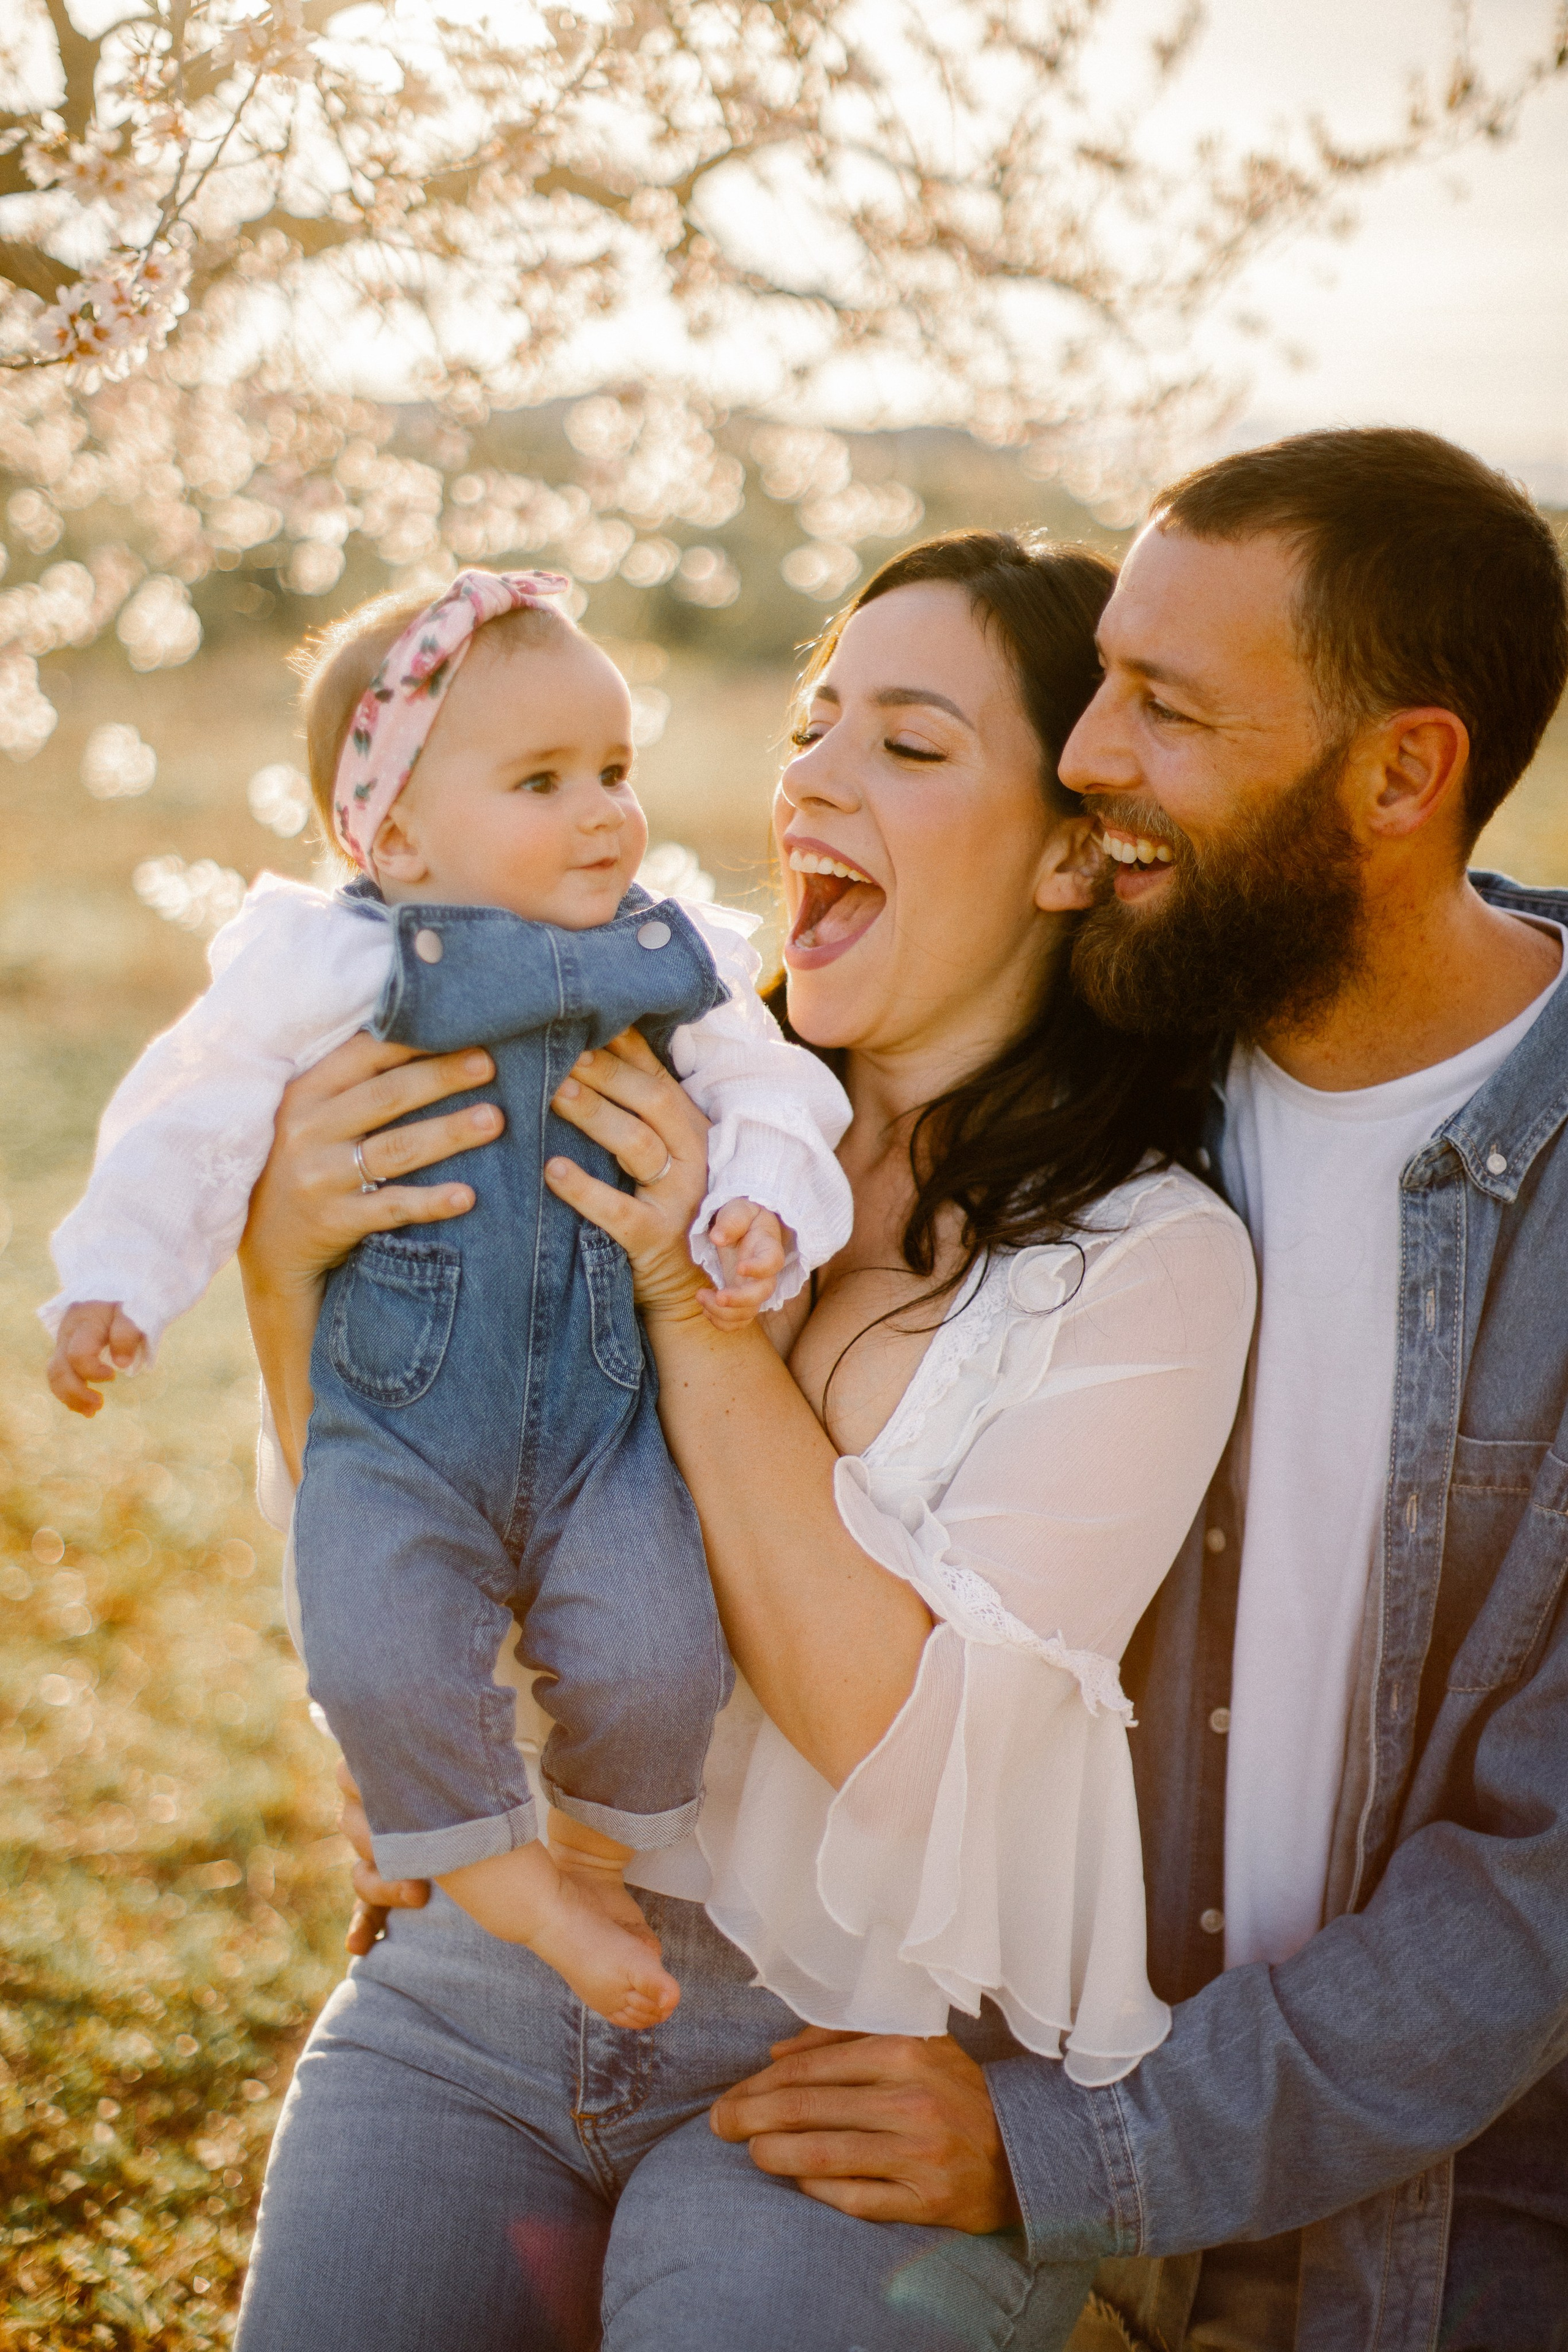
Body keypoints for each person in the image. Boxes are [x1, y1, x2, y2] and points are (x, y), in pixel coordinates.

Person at [232, 531, 1255, 2350]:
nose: (811, 782)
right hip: (485, 1988)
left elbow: (895, 1740)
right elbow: (398, 1513)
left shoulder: (1152, 1263)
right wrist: (281, 1272)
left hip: (834, 2076)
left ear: (1070, 848)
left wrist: (696, 1304)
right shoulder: (642, 1075)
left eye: (912, 746)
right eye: (812, 720)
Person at [698, 429, 1568, 2352]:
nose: (1089, 755)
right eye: (1101, 686)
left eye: (1164, 707)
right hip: (1002, 2129)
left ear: (1403, 773)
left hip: (1432, 2246)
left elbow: (1541, 1888)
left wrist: (1079, 2148)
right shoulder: (1123, 1069)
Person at [42, 564, 855, 2029]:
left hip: (608, 1428)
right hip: (399, 1422)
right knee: (378, 1642)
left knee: (659, 1658)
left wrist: (763, 1204)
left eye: (614, 769)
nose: (607, 812)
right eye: (542, 781)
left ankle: (596, 1852)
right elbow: (192, 1115)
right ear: (395, 833)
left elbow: (767, 1085)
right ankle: (499, 1880)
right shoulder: (328, 962)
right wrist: (116, 1279)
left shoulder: (670, 952)